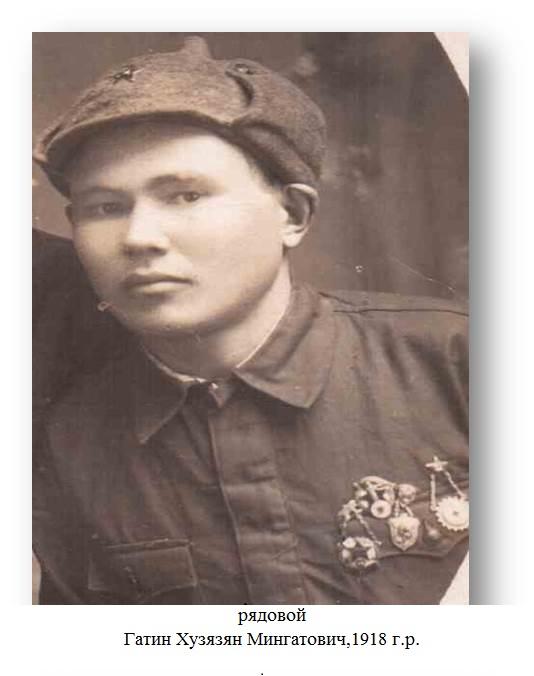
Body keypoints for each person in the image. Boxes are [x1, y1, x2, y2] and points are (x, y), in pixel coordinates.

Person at [32, 36, 468, 605]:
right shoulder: (69, 445)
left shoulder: (458, 362)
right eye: (105, 208)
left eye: (185, 196)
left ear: (293, 213)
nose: (139, 238)